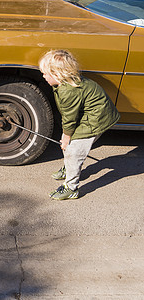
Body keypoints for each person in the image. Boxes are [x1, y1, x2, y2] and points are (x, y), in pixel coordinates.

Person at [38, 49, 120, 200]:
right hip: (89, 115)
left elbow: (70, 117)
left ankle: (71, 187)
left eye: (45, 73)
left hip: (96, 119)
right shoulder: (63, 84)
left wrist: (66, 136)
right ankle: (70, 168)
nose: (42, 76)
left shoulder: (69, 91)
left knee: (73, 150)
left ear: (57, 74)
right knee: (68, 146)